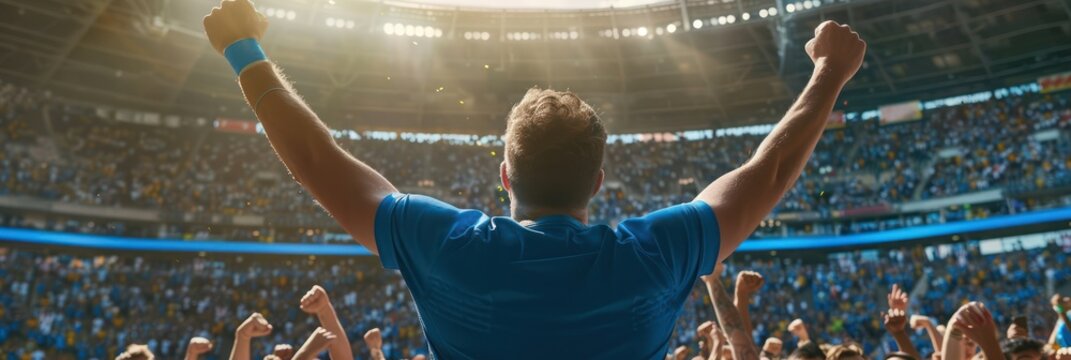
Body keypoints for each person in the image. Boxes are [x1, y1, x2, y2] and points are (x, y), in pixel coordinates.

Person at [201, 0, 866, 357]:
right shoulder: (653, 255)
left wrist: (243, 49)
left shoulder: (449, 246)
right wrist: (828, 73)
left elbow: (317, 163)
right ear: (599, 179)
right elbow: (768, 171)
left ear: (503, 174)